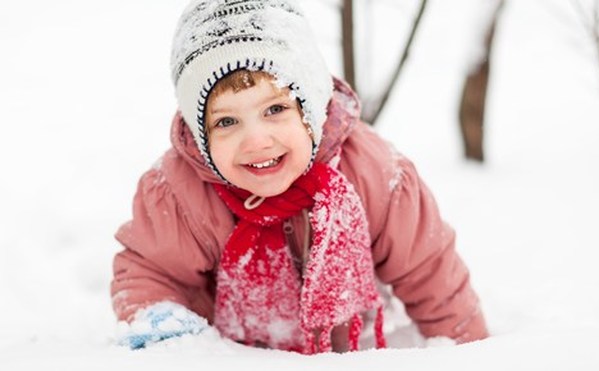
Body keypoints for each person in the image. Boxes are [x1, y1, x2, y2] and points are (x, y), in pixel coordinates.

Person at [111, 0, 489, 354]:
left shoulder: (376, 176)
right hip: (234, 355)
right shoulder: (180, 193)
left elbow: (432, 275)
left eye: (275, 109)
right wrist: (171, 341)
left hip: (348, 353)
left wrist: (467, 350)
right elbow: (151, 275)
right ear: (200, 133)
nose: (256, 140)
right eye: (226, 121)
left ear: (312, 105)